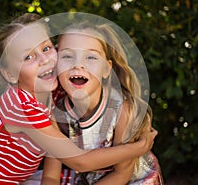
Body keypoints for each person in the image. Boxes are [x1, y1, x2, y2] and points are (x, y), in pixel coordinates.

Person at [0, 13, 157, 185]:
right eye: (28, 57)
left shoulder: (52, 91)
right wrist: (138, 147)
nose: (45, 60)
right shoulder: (19, 107)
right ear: (9, 75)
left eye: (46, 48)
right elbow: (80, 161)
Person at [41, 21, 164, 184]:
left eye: (91, 57)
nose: (78, 64)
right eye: (67, 56)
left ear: (107, 69)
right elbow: (51, 176)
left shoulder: (122, 110)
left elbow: (122, 174)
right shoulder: (57, 116)